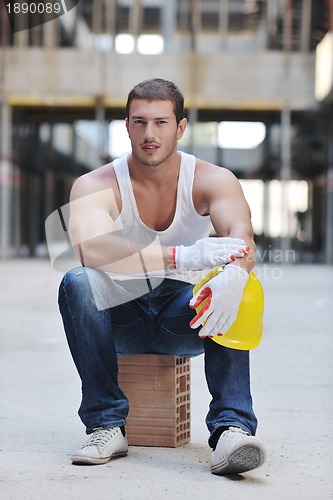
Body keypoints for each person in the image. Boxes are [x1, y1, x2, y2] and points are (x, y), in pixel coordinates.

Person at [58, 78, 266, 475]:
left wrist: (235, 273)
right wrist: (181, 254)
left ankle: (232, 430)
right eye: (139, 122)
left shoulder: (212, 179)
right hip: (121, 314)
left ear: (181, 127)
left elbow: (242, 243)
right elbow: (91, 250)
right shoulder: (97, 184)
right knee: (77, 281)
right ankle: (106, 425)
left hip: (183, 316)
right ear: (126, 126)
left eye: (160, 122)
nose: (149, 134)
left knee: (236, 285)